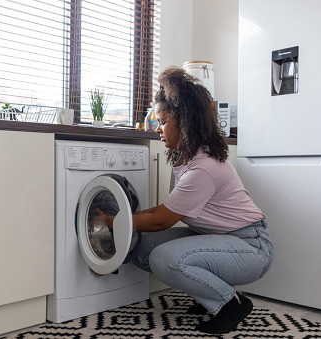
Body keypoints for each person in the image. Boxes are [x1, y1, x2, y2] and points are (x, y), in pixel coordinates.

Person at [97, 66, 273, 334]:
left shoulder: (203, 167)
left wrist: (112, 221)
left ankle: (231, 304)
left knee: (164, 259)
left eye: (163, 121)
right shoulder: (184, 158)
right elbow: (167, 208)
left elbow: (161, 221)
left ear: (185, 122)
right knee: (140, 246)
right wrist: (125, 220)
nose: (158, 128)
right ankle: (209, 296)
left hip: (251, 246)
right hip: (218, 238)